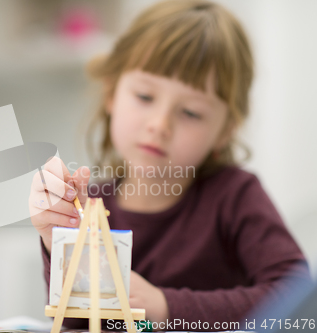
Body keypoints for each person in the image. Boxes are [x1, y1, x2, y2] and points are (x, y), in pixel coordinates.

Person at [29, 0, 311, 330]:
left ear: (224, 132)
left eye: (190, 112)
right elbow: (78, 323)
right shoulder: (91, 204)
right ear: (111, 93)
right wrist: (57, 244)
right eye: (145, 97)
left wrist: (166, 306)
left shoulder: (235, 196)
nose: (160, 124)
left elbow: (298, 301)